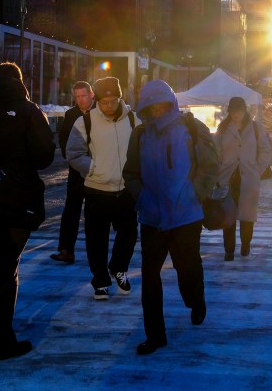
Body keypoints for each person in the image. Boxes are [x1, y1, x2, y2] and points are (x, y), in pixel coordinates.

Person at [122, 79, 219, 356]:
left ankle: (196, 300)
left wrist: (194, 194)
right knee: (150, 278)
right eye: (152, 108)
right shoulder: (140, 134)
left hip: (186, 217)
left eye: (163, 106)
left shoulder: (192, 128)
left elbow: (211, 165)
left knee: (187, 269)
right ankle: (155, 335)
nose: (158, 112)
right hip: (152, 218)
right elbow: (131, 173)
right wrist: (142, 198)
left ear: (171, 103)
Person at [0, 61, 55, 361]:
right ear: (19, 81)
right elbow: (44, 156)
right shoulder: (29, 111)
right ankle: (2, 341)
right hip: (17, 198)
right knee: (7, 269)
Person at [66, 76, 139, 300]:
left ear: (120, 98)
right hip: (97, 190)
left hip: (126, 190)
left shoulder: (134, 121)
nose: (109, 106)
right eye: (105, 102)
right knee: (96, 240)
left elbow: (143, 150)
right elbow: (74, 153)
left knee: (129, 234)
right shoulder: (85, 121)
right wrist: (93, 170)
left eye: (113, 101)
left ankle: (118, 267)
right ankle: (100, 281)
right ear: (97, 100)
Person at [215, 96, 271, 261]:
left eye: (238, 111)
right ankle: (229, 250)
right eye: (233, 111)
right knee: (228, 215)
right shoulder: (223, 128)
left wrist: (257, 170)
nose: (236, 115)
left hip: (248, 177)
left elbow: (265, 150)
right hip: (228, 177)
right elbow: (216, 151)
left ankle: (246, 244)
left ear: (244, 110)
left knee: (247, 216)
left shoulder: (255, 127)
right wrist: (219, 169)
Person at [51, 80, 95, 264]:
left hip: (97, 169)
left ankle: (95, 253)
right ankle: (66, 249)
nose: (80, 100)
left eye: (83, 96)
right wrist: (72, 158)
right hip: (76, 170)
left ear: (91, 95)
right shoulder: (71, 115)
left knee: (94, 214)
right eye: (77, 97)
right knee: (71, 211)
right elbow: (63, 138)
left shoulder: (99, 112)